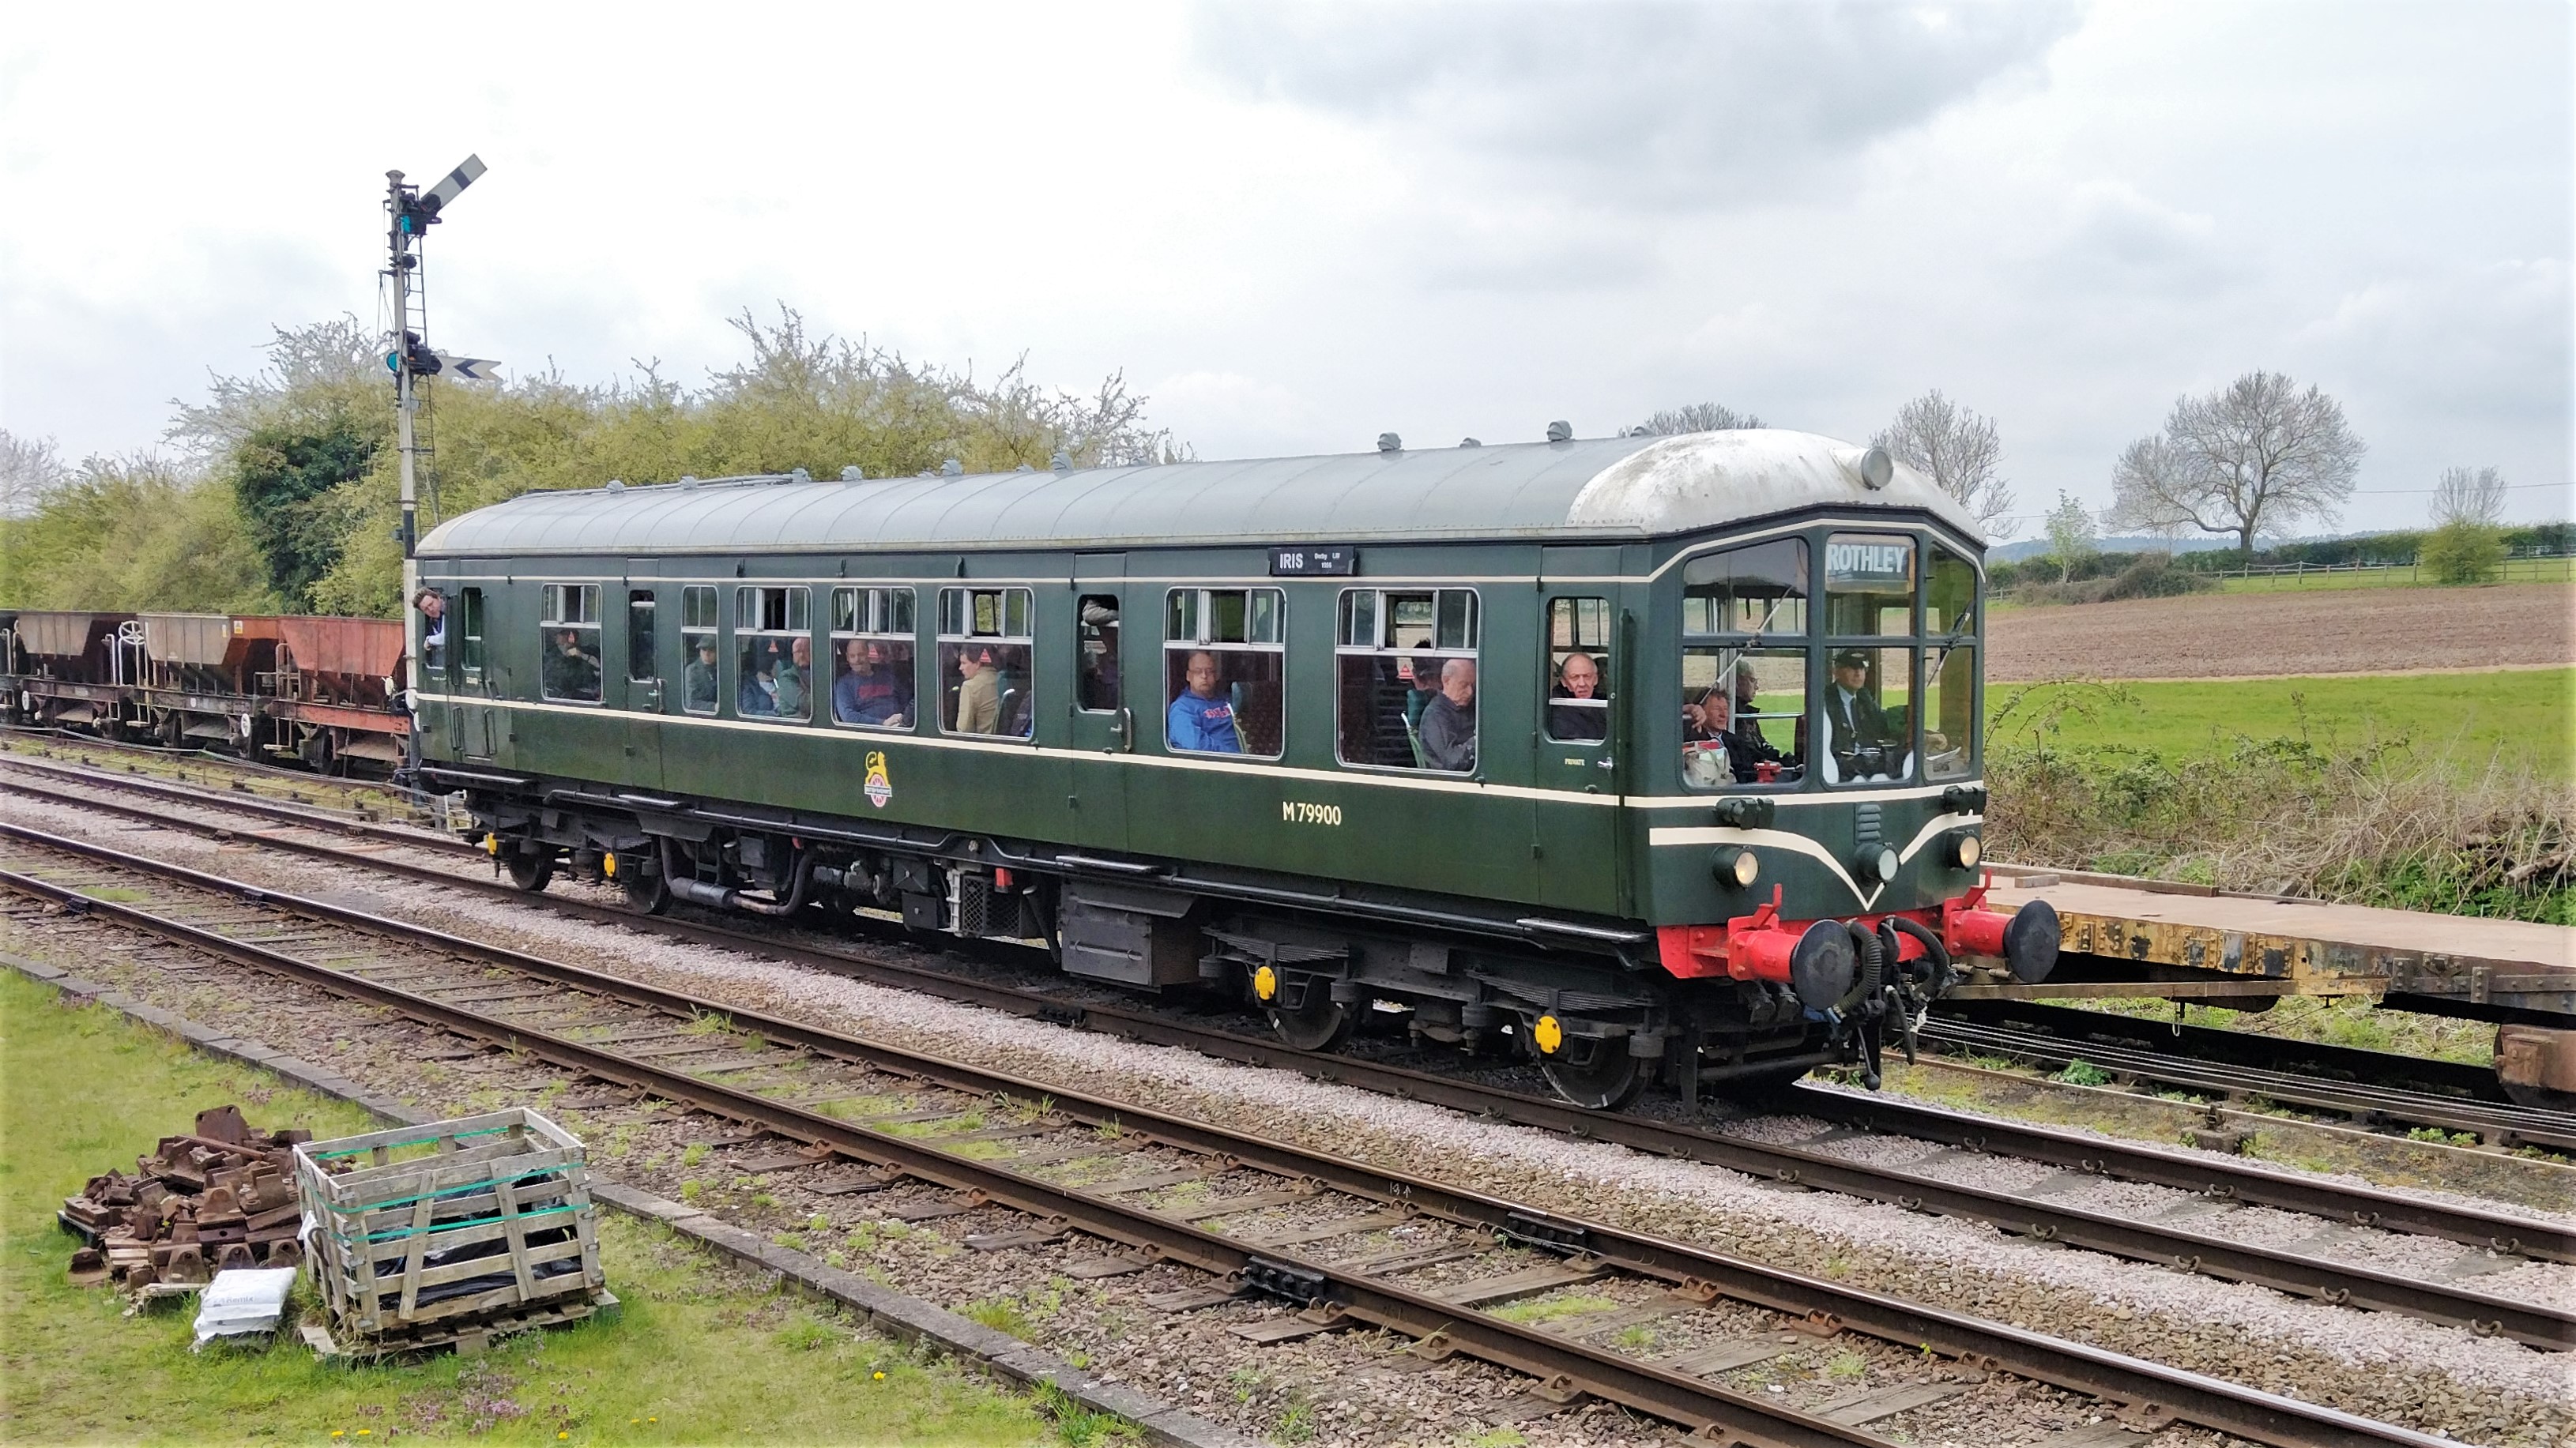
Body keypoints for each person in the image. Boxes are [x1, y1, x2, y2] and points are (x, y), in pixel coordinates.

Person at [1166, 649, 1241, 753]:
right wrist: (1237, 756)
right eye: (1198, 672)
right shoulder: (1182, 708)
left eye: (1209, 671)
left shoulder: (1228, 699)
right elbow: (1198, 745)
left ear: (1216, 675)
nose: (1204, 676)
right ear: (1188, 676)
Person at [1825, 649, 1892, 756]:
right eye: (1852, 668)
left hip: (1866, 762)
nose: (1858, 674)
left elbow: (1883, 723)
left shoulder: (1864, 697)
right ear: (1836, 672)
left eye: (1862, 668)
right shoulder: (1826, 700)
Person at [1418, 657, 1477, 771]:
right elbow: (1452, 762)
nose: (1470, 692)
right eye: (1464, 685)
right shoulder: (1435, 716)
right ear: (1446, 680)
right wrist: (1478, 739)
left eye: (1472, 685)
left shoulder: (1471, 707)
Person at [835, 639, 909, 725]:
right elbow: (848, 716)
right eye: (852, 656)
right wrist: (882, 723)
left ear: (868, 654)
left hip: (899, 726)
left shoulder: (887, 675)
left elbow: (905, 700)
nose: (857, 660)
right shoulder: (844, 684)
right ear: (847, 658)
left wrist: (904, 719)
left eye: (861, 655)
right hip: (869, 730)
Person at [1546, 652, 1606, 742]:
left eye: (1587, 676)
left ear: (1595, 679)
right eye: (1575, 677)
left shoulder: (1604, 701)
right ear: (1564, 682)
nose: (1582, 684)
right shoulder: (1556, 706)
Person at [954, 646, 1001, 734]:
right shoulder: (1000, 679)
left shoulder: (969, 686)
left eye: (964, 663)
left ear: (977, 664)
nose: (960, 668)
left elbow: (964, 728)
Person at [544, 629, 599, 701]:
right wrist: (564, 657)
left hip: (587, 693)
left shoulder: (586, 651)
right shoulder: (552, 657)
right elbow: (559, 681)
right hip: (564, 697)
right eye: (560, 644)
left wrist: (582, 655)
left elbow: (599, 667)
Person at [774, 635, 810, 718]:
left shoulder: (814, 672)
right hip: (796, 722)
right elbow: (805, 703)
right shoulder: (786, 677)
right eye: (798, 652)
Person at [413, 588, 446, 671]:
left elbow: (444, 638)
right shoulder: (433, 622)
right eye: (426, 609)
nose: (431, 609)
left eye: (431, 604)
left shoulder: (448, 611)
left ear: (438, 598)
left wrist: (429, 640)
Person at [683, 640, 719, 712]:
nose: (707, 654)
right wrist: (714, 707)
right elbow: (691, 704)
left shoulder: (721, 668)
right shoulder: (692, 671)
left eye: (711, 650)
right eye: (704, 650)